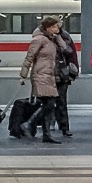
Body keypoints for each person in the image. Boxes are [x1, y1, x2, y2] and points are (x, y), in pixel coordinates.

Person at [17, 15, 66, 144]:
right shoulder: (38, 39)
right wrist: (23, 75)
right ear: (48, 27)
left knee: (48, 103)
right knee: (49, 103)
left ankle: (45, 133)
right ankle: (30, 124)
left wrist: (58, 35)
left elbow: (64, 48)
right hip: (40, 75)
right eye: (54, 27)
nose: (57, 29)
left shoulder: (52, 39)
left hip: (49, 75)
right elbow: (29, 57)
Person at [55, 19, 78, 137]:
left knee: (61, 101)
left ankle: (64, 127)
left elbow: (70, 53)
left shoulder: (64, 37)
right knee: (47, 102)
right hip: (48, 74)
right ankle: (48, 127)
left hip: (62, 73)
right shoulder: (42, 38)